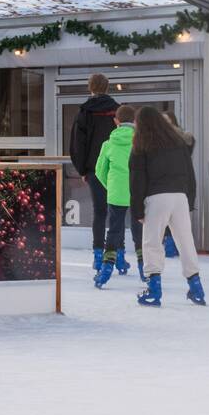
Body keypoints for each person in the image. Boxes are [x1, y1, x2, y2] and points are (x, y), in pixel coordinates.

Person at [130, 105, 204, 306]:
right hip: (180, 197)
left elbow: (137, 180)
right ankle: (196, 287)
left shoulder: (141, 145)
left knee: (152, 242)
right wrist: (190, 199)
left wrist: (137, 209)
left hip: (156, 198)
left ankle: (154, 290)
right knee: (185, 241)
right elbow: (190, 174)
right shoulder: (178, 143)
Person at [69, 74, 120, 273]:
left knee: (100, 212)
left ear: (90, 87)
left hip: (94, 169)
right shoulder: (117, 110)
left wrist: (82, 169)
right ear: (107, 87)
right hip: (117, 168)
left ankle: (99, 255)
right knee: (117, 211)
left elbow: (77, 144)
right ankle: (118, 254)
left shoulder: (84, 112)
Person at [93, 105, 143, 288]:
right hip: (138, 193)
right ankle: (145, 270)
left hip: (116, 194)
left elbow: (99, 171)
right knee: (140, 231)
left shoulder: (108, 144)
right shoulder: (141, 142)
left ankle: (106, 270)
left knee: (114, 230)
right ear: (135, 122)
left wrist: (111, 186)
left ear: (116, 121)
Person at [161, 110, 193, 259]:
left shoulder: (182, 138)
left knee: (177, 216)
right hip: (162, 181)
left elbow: (188, 151)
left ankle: (174, 245)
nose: (165, 124)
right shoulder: (156, 138)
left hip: (179, 180)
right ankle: (168, 245)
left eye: (167, 120)